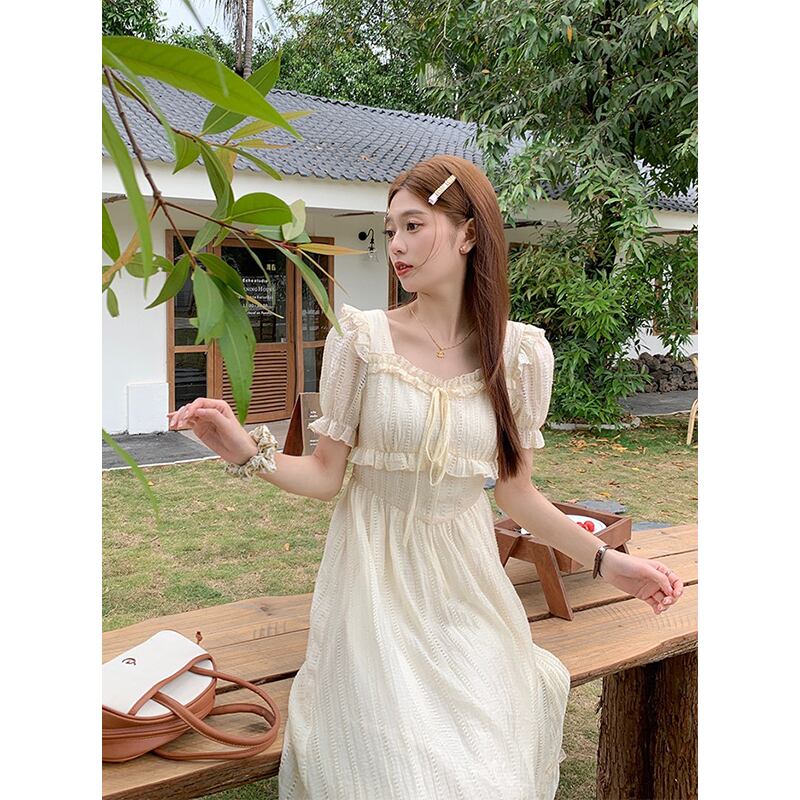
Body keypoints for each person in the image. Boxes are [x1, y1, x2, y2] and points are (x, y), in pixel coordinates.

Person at [167, 154, 684, 800]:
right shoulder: (362, 341)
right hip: (372, 584)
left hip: (466, 586)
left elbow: (517, 493)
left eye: (414, 226)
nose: (396, 246)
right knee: (397, 774)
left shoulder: (519, 355)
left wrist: (608, 563)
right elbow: (326, 476)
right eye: (390, 230)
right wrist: (248, 451)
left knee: (485, 769)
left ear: (468, 233)